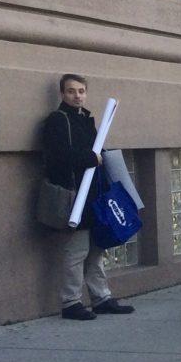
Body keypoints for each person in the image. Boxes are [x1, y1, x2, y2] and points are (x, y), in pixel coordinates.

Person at [42, 73, 135, 320]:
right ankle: (70, 302)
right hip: (74, 197)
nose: (77, 96)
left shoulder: (86, 120)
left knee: (96, 249)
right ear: (62, 94)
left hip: (94, 195)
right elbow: (58, 157)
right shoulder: (57, 121)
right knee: (76, 251)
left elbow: (97, 153)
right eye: (71, 91)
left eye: (81, 91)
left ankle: (101, 298)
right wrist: (90, 159)